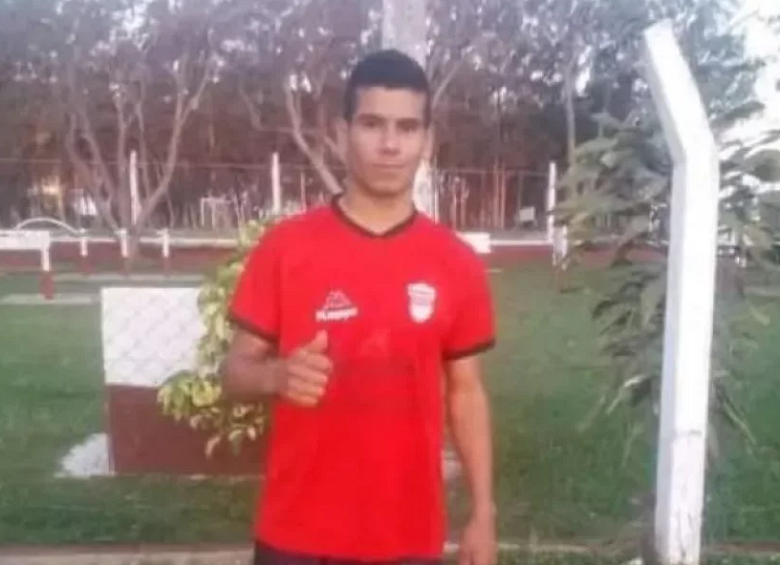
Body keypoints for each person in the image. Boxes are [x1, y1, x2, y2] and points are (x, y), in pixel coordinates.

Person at [221, 49, 497, 565]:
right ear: (341, 132)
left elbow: (466, 392)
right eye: (372, 124)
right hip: (296, 534)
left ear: (427, 141)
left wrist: (483, 512)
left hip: (407, 537)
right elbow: (234, 371)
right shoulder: (286, 248)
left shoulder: (456, 262)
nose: (390, 145)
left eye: (407, 128)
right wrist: (276, 376)